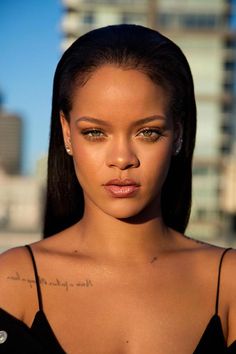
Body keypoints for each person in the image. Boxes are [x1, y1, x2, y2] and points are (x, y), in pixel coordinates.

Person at [0, 24, 235, 354]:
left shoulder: (229, 284)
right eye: (95, 133)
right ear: (67, 132)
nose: (122, 159)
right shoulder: (11, 281)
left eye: (147, 132)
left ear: (178, 133)